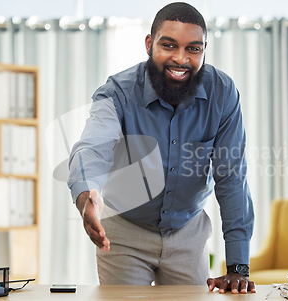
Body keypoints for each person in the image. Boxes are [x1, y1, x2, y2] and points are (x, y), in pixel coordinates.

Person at [68, 2, 255, 294]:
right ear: (149, 44)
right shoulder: (117, 92)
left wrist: (237, 267)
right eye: (169, 45)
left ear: (204, 48)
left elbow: (232, 177)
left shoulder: (223, 93)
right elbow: (93, 147)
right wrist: (85, 196)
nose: (180, 59)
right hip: (125, 230)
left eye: (193, 49)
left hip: (188, 231)